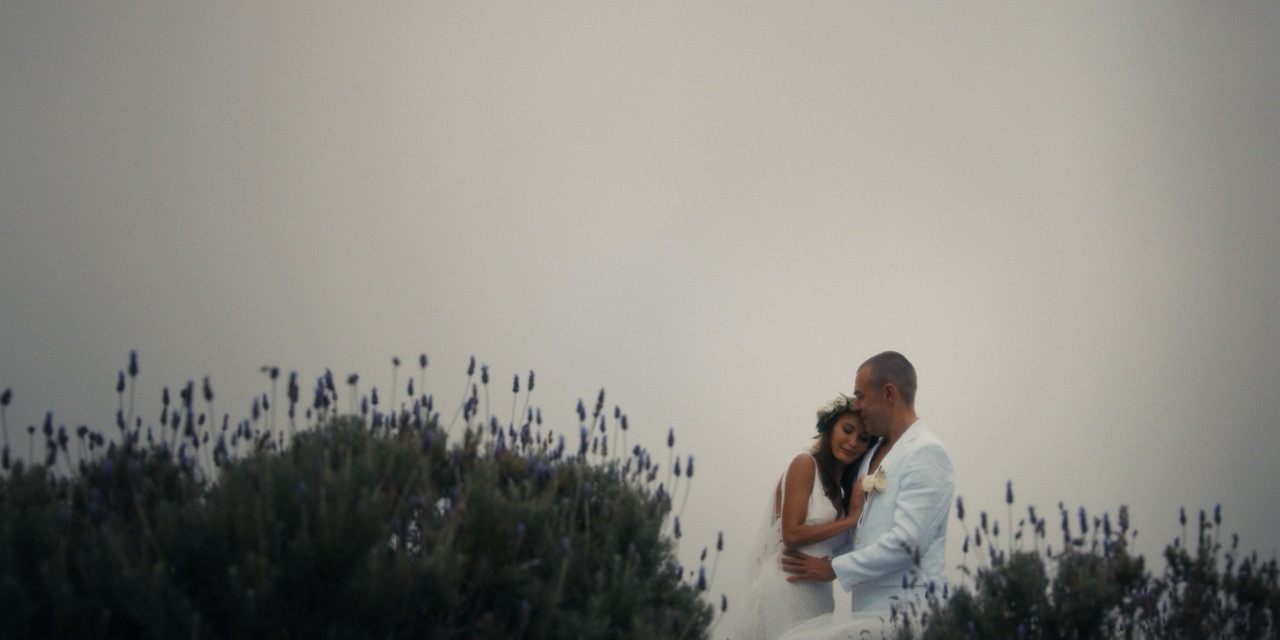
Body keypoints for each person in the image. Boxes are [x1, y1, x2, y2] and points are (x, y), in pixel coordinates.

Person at [780, 351, 954, 624]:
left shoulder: (926, 452)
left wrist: (834, 568)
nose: (856, 405)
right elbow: (861, 535)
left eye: (860, 396)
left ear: (888, 393)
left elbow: (907, 543)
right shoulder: (870, 453)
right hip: (868, 609)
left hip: (913, 609)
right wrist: (812, 559)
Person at [734, 394, 877, 639]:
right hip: (784, 589)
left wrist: (836, 569)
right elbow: (791, 534)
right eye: (847, 430)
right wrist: (849, 520)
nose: (853, 442)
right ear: (829, 428)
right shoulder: (805, 464)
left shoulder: (844, 490)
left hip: (818, 596)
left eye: (863, 438)